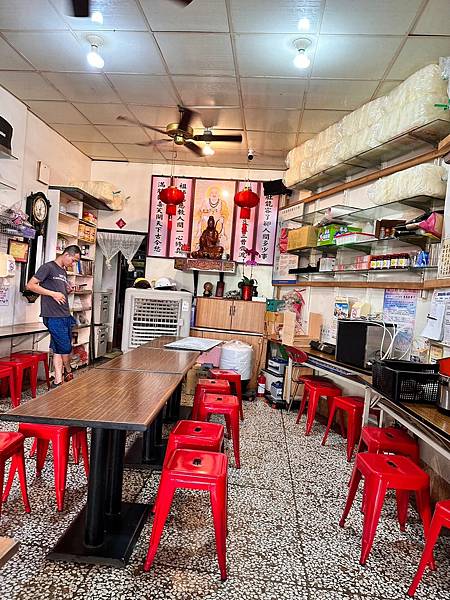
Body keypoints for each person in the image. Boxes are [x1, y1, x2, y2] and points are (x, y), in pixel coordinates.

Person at [26, 245, 81, 388]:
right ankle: (69, 371)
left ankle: (58, 380)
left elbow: (60, 293)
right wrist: (53, 293)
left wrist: (67, 290)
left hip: (64, 314)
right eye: (74, 260)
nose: (73, 264)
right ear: (67, 255)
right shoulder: (48, 267)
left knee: (58, 348)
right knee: (65, 348)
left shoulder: (63, 271)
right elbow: (30, 285)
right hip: (53, 315)